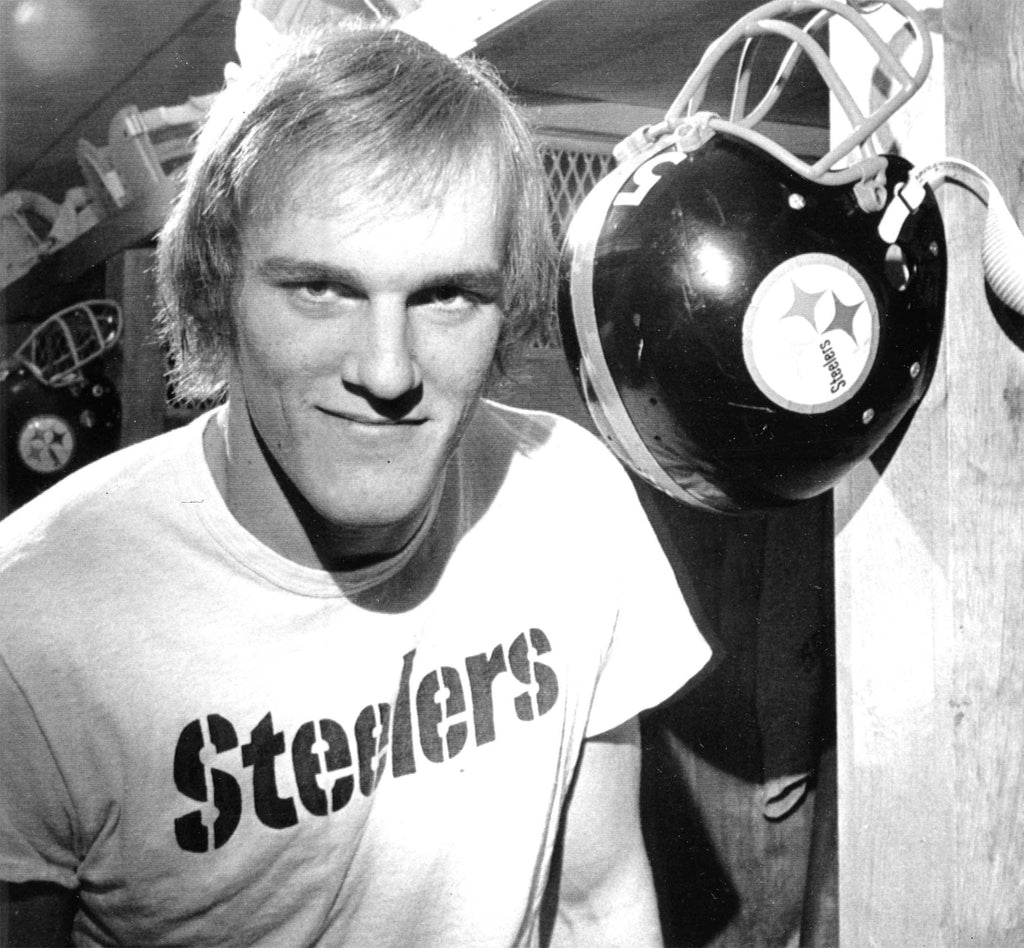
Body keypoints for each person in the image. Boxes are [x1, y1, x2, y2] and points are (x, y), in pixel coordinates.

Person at [0, 21, 711, 947]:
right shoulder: (31, 624)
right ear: (218, 293)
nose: (387, 370)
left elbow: (597, 902)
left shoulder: (573, 500)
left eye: (447, 295)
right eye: (320, 290)